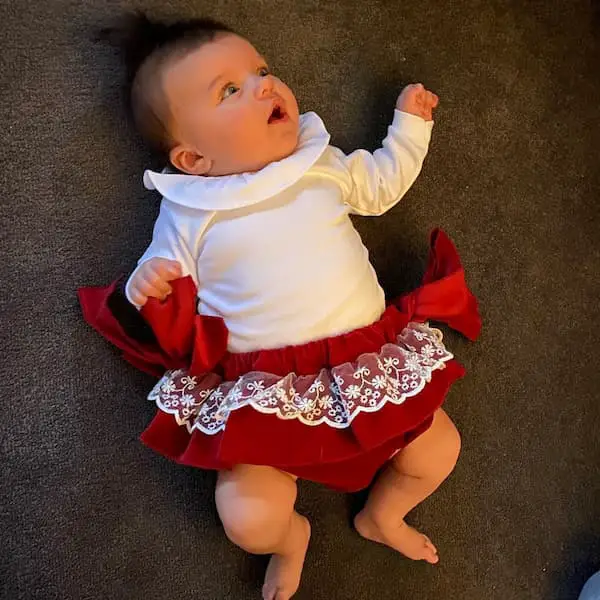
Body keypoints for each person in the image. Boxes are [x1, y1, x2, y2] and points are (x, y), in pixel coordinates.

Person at [79, 13, 481, 600]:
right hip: (267, 391)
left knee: (439, 449)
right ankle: (292, 539)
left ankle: (382, 516)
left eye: (261, 70)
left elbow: (381, 185)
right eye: (230, 90)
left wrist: (409, 129)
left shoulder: (318, 162)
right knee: (248, 518)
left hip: (366, 365)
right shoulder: (191, 208)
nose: (264, 86)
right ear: (193, 160)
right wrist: (152, 282)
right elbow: (158, 269)